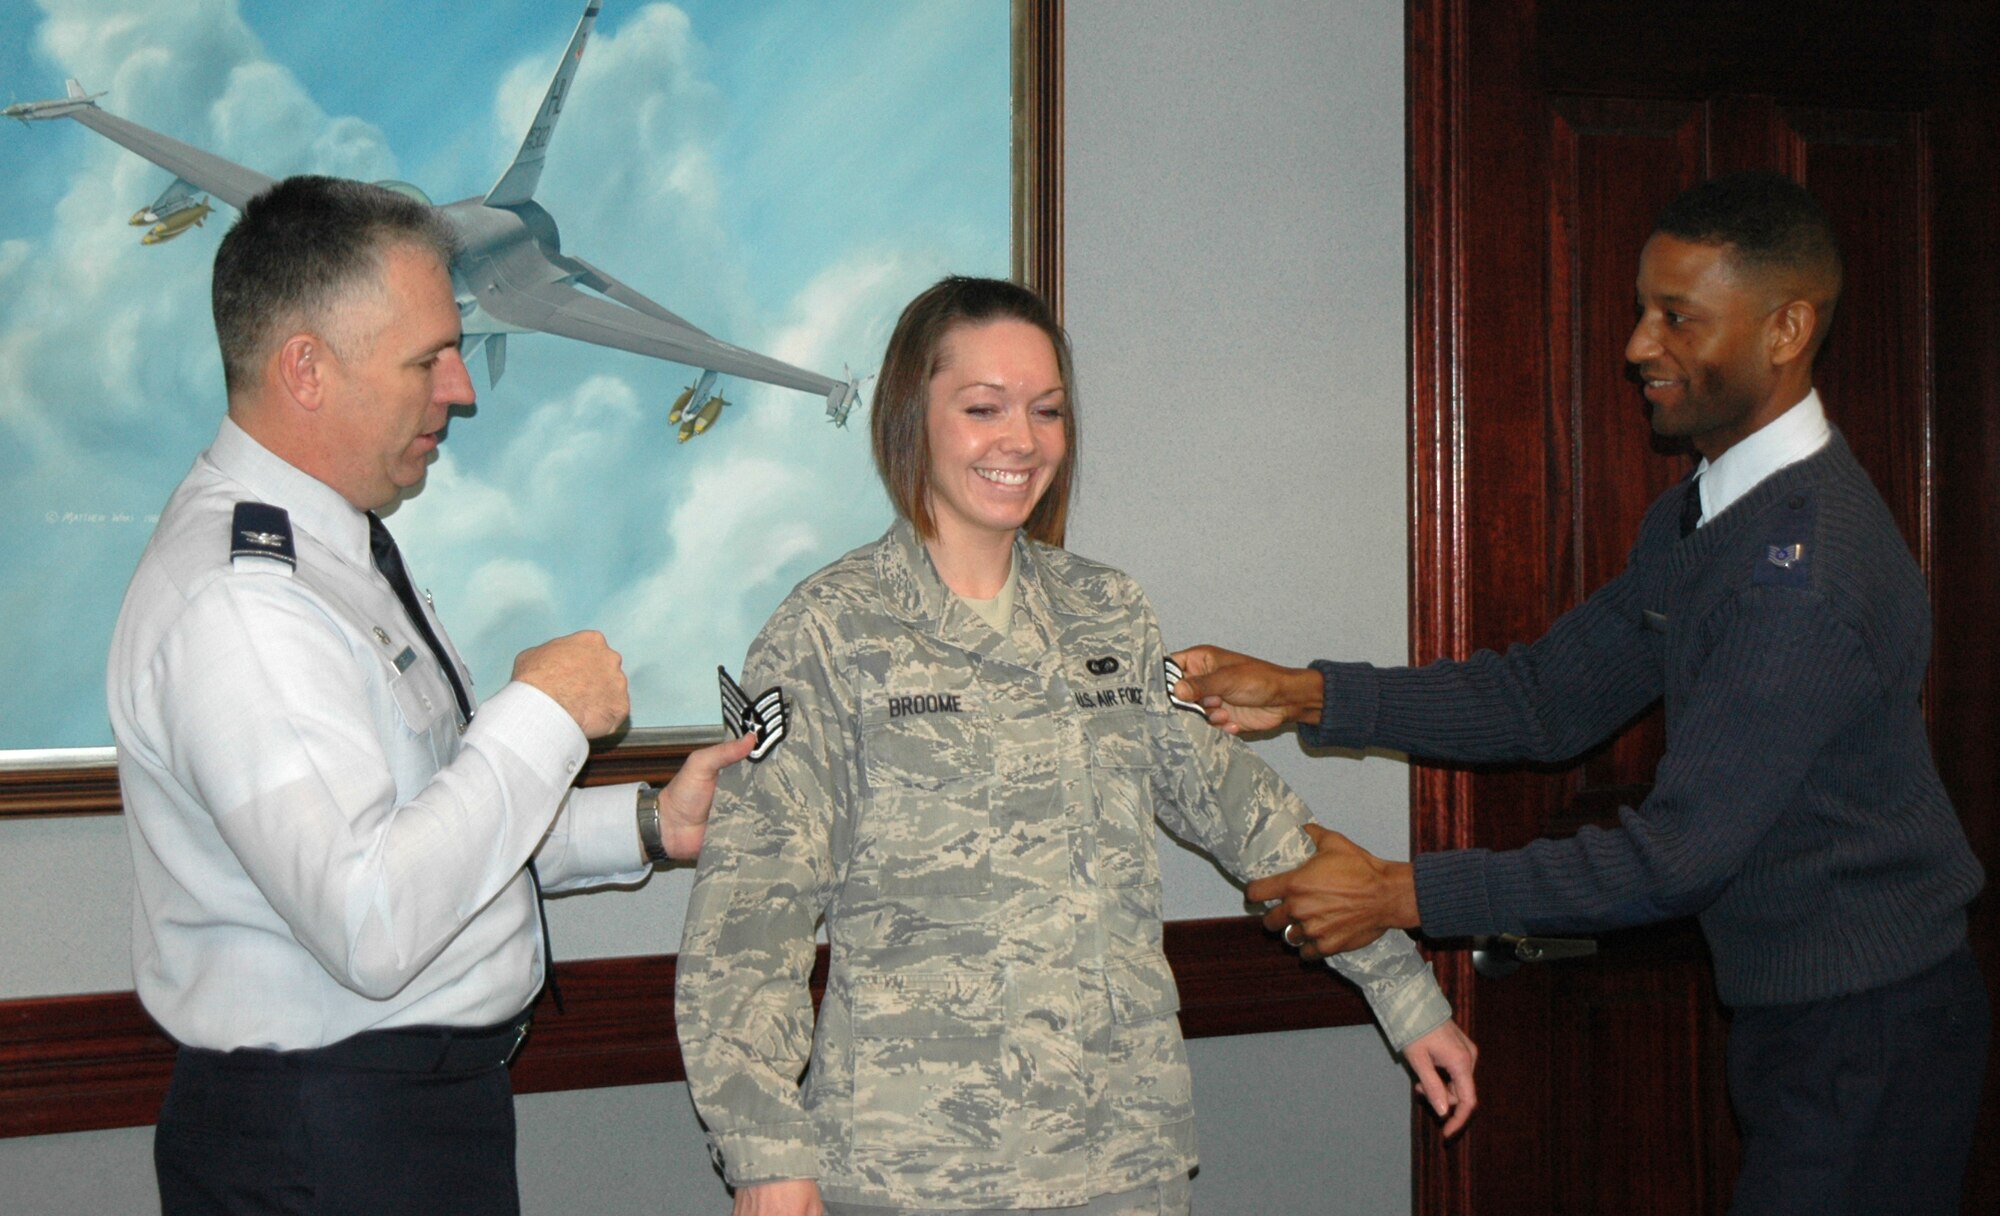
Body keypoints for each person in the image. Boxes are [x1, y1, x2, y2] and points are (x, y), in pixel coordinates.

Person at [1174, 171, 1988, 1215]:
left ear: (1784, 328)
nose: (1636, 346)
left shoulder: (1802, 569)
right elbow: (1545, 697)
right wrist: (1308, 695)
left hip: (1870, 1031)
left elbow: (1675, 854)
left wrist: (1398, 892)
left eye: (1675, 316)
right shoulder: (1707, 512)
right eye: (1641, 310)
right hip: (1809, 1019)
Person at [676, 276, 1477, 1216]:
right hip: (918, 1170)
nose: (1021, 440)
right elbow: (750, 910)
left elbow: (1244, 811)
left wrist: (1403, 990)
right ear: (909, 416)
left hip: (1121, 1156)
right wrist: (767, 1149)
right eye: (983, 408)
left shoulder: (1111, 613)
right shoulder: (825, 633)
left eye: (1047, 411)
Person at [106, 175, 755, 1215]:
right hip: (331, 1133)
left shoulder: (335, 551)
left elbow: (430, 832)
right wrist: (540, 713)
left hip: (398, 1119)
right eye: (427, 358)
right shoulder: (242, 606)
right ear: (305, 369)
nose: (461, 388)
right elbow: (373, 916)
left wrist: (643, 823)